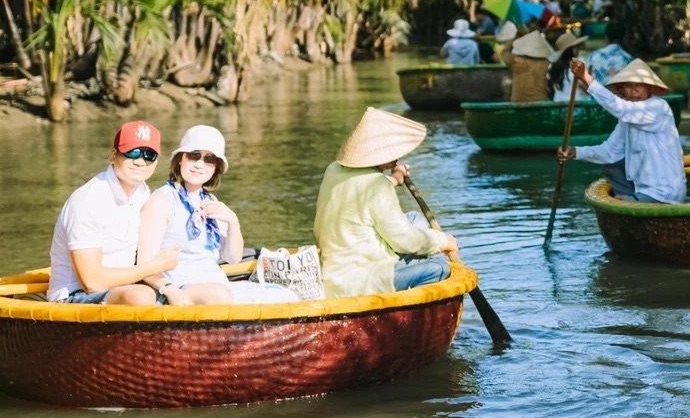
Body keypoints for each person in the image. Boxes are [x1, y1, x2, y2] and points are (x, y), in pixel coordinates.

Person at [134, 124, 293, 306]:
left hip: (217, 286)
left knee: (284, 294)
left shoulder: (211, 201)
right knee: (219, 295)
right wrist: (168, 289)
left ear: (216, 167)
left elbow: (233, 258)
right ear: (180, 159)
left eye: (209, 158)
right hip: (180, 287)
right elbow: (145, 263)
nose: (200, 164)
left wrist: (233, 222)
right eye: (194, 155)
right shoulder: (162, 199)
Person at [314, 107, 460, 296]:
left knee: (415, 218)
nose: (397, 157)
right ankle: (407, 311)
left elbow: (361, 192)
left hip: (335, 266)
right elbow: (405, 242)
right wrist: (442, 240)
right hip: (361, 278)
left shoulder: (333, 169)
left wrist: (395, 178)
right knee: (439, 269)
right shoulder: (377, 186)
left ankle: (414, 268)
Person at [46, 120, 179, 304]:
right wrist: (155, 266)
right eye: (133, 152)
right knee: (141, 296)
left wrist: (168, 286)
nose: (141, 161)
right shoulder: (87, 201)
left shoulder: (143, 193)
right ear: (114, 155)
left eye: (149, 154)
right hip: (75, 294)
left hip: (124, 286)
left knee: (193, 290)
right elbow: (91, 282)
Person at [556, 58, 684, 203]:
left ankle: (630, 200)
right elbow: (609, 151)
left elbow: (620, 108)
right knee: (613, 166)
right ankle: (629, 198)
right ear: (622, 90)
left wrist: (586, 77)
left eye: (639, 86)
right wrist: (576, 152)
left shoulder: (658, 107)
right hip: (641, 188)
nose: (633, 90)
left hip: (664, 193)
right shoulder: (627, 119)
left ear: (650, 89)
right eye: (628, 86)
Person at [547, 30, 587, 101]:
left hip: (558, 105)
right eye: (576, 47)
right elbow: (585, 86)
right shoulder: (579, 63)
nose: (578, 49)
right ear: (572, 49)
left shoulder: (552, 66)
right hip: (576, 105)